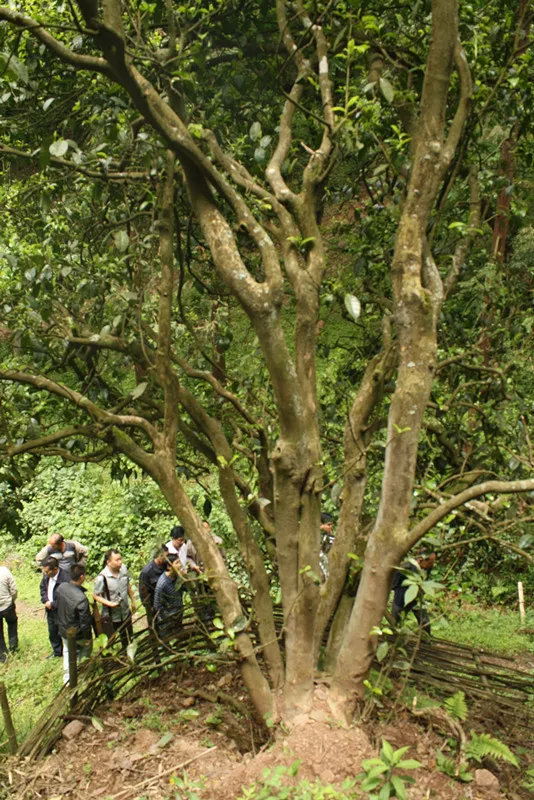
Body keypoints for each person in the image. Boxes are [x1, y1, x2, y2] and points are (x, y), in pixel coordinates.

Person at [55, 563, 93, 684]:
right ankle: (82, 675)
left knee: (67, 652)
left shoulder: (61, 587)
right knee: (85, 651)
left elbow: (57, 606)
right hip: (77, 634)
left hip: (63, 629)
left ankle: (68, 679)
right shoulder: (81, 598)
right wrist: (87, 638)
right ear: (82, 577)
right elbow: (85, 622)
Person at [93, 549, 136, 648]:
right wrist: (109, 603)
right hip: (112, 615)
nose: (120, 562)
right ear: (108, 562)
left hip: (125, 611)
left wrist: (133, 601)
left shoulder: (124, 569)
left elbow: (127, 585)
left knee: (130, 635)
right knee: (113, 639)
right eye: (117, 560)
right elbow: (95, 595)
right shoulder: (102, 577)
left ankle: (131, 651)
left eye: (120, 559)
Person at [391, 550, 437, 634]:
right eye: (430, 563)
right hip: (401, 596)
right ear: (420, 560)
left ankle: (426, 639)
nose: (432, 565)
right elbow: (394, 582)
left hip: (417, 596)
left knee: (424, 621)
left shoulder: (427, 568)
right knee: (395, 619)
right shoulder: (406, 567)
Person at [39, 556, 70, 658]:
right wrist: (46, 600)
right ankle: (57, 652)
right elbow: (43, 588)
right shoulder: (46, 576)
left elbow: (67, 599)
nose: (45, 573)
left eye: (47, 571)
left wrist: (53, 604)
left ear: (55, 569)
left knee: (64, 631)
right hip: (50, 610)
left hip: (62, 611)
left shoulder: (65, 579)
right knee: (52, 631)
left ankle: (69, 651)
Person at [153, 554, 184, 639]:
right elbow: (157, 605)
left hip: (178, 614)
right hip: (167, 620)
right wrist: (168, 616)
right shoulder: (162, 583)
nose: (180, 565)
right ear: (169, 567)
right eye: (177, 563)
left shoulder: (177, 577)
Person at [138, 546, 168, 626]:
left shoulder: (165, 565)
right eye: (165, 556)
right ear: (159, 556)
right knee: (155, 625)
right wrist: (148, 607)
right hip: (153, 604)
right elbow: (142, 592)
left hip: (165, 602)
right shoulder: (147, 571)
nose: (167, 559)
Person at [0, 564, 18, 663]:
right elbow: (14, 589)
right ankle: (13, 646)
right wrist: (12, 600)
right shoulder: (5, 571)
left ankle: (3, 656)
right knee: (12, 623)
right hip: (8, 605)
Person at [319, 512, 335, 580]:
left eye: (331, 525)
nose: (330, 527)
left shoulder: (331, 536)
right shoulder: (316, 533)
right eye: (328, 525)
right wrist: (321, 528)